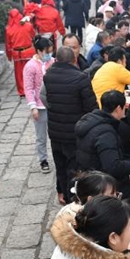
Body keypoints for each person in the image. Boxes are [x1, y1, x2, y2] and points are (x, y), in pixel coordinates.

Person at [75, 90, 130, 227]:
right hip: (104, 186)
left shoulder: (91, 121)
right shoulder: (106, 132)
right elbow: (112, 166)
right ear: (118, 108)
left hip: (93, 178)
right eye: (124, 108)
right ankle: (128, 235)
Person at [44, 46, 98, 204]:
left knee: (60, 166)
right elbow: (91, 107)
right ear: (74, 60)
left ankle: (64, 196)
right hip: (73, 132)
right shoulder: (80, 78)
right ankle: (74, 200)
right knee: (74, 168)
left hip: (55, 131)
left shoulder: (48, 76)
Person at [24, 37, 54, 174]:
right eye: (47, 51)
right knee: (41, 136)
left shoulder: (52, 62)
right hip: (39, 106)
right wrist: (33, 107)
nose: (49, 54)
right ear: (39, 51)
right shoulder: (30, 66)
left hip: (53, 103)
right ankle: (43, 160)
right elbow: (28, 88)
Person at [5, 9, 36, 97]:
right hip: (29, 52)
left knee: (19, 74)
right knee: (31, 71)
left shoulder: (8, 29)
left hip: (17, 54)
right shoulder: (28, 26)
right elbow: (33, 35)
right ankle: (32, 88)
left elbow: (8, 45)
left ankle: (22, 91)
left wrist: (9, 56)